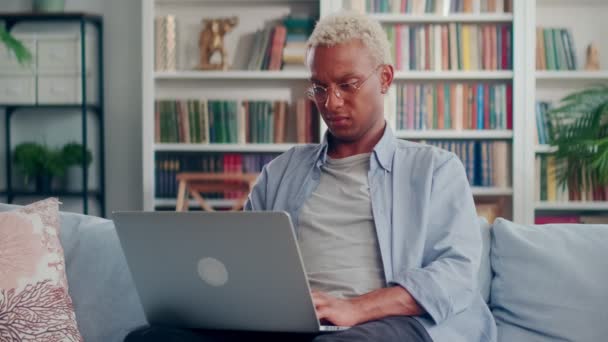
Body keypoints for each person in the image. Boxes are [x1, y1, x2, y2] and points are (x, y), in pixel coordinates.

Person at [126, 11, 496, 342]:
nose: (330, 103)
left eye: (347, 85)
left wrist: (356, 308)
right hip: (289, 326)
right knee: (150, 338)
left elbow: (456, 273)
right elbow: (245, 263)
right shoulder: (283, 170)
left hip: (384, 324)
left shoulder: (434, 169)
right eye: (319, 87)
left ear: (384, 78)